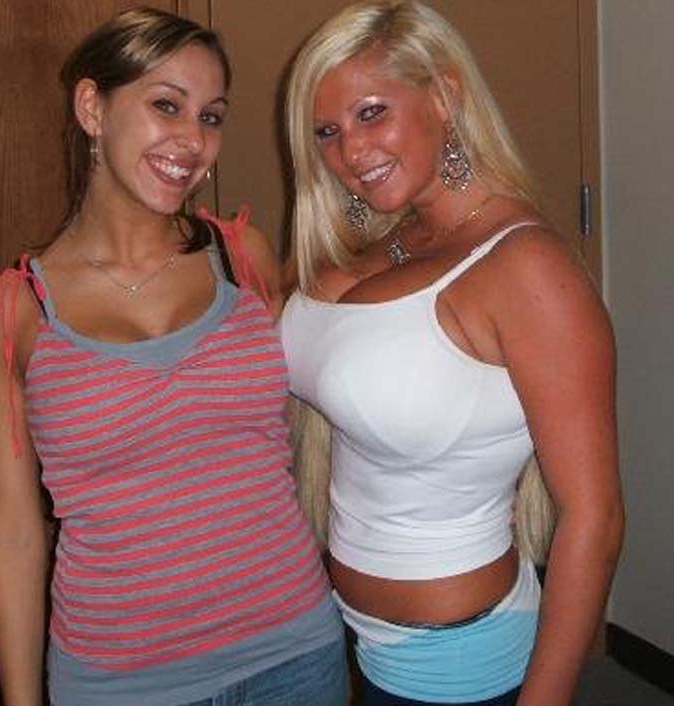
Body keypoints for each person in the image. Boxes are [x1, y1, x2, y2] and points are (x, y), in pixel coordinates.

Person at [0, 7, 347, 706]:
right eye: (167, 105)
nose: (193, 140)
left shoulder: (243, 258)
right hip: (121, 681)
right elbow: (13, 534)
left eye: (211, 116)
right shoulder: (11, 312)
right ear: (92, 107)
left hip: (295, 652)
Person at [279, 2, 624, 705]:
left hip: (463, 665)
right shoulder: (392, 245)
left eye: (371, 113)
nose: (350, 153)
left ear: (443, 96)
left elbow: (596, 518)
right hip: (354, 640)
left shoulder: (525, 266)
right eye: (327, 132)